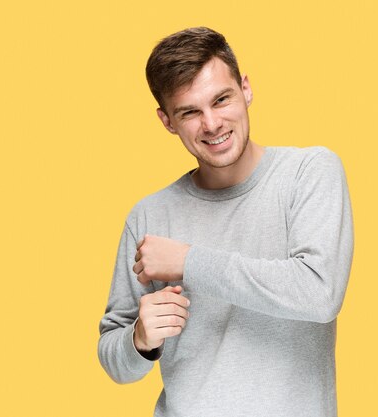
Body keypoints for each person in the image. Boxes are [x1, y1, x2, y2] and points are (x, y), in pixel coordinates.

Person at [98, 26, 354, 417]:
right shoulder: (150, 216)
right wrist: (139, 340)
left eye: (221, 100)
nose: (212, 123)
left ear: (246, 89)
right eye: (190, 112)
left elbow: (319, 294)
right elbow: (115, 359)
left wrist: (188, 262)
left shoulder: (309, 173)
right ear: (167, 121)